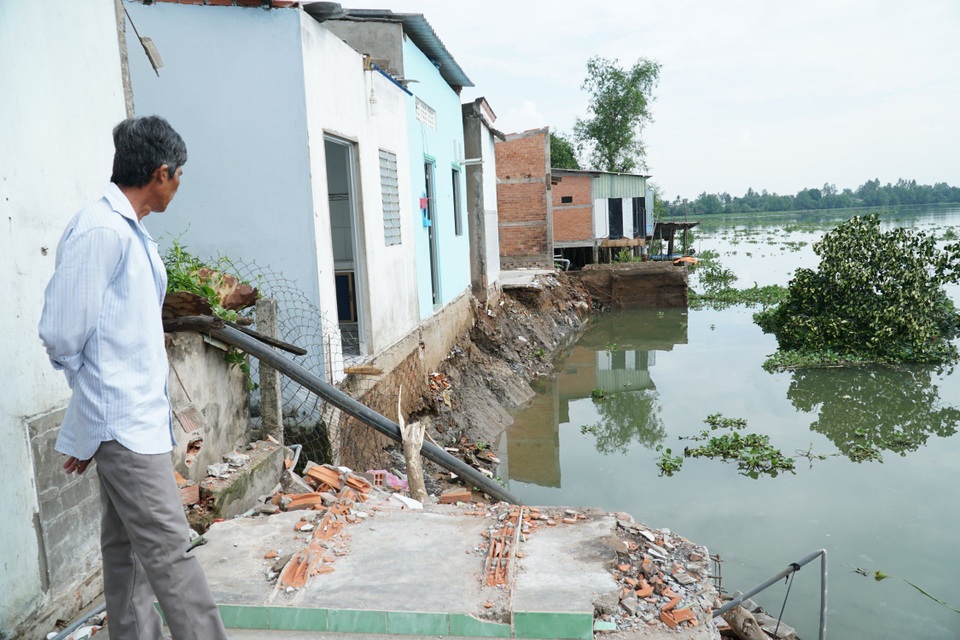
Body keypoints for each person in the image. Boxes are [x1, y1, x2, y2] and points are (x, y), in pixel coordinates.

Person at [39, 116, 228, 640]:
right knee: (170, 552)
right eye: (180, 174)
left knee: (127, 555)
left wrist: (87, 423)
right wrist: (95, 419)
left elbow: (110, 344)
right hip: (124, 426)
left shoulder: (129, 232)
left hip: (132, 423)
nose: (180, 185)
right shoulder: (100, 231)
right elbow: (62, 335)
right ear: (160, 173)